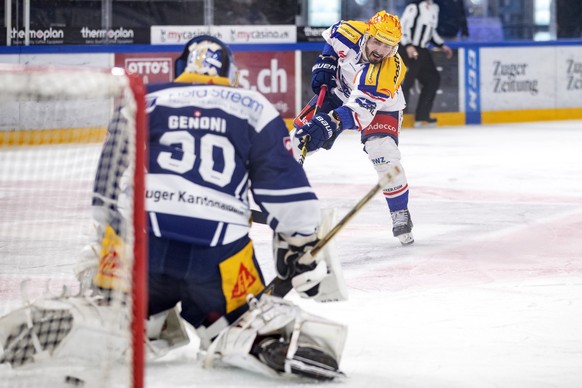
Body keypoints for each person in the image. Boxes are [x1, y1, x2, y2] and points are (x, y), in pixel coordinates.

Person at [0, 35, 347, 381]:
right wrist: (299, 246)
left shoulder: (144, 98)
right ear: (228, 71)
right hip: (216, 259)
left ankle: (110, 314)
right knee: (235, 318)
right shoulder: (253, 106)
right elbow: (290, 198)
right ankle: (257, 334)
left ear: (181, 68)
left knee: (122, 303)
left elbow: (105, 194)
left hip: (141, 252)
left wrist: (110, 248)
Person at [293, 10, 415, 246]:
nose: (380, 50)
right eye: (377, 41)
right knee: (298, 138)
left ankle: (399, 211)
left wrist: (331, 123)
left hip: (381, 107)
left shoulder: (386, 72)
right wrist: (326, 61)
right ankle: (278, 195)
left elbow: (359, 113)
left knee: (382, 154)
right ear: (368, 34)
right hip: (341, 91)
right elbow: (332, 39)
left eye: (388, 46)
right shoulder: (349, 31)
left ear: (394, 49)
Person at [398, 0, 453, 128]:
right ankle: (395, 116)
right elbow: (402, 27)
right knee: (405, 83)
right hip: (408, 50)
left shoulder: (435, 8)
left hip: (422, 51)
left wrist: (441, 45)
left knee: (432, 79)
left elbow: (431, 30)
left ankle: (422, 115)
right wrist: (408, 45)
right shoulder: (414, 7)